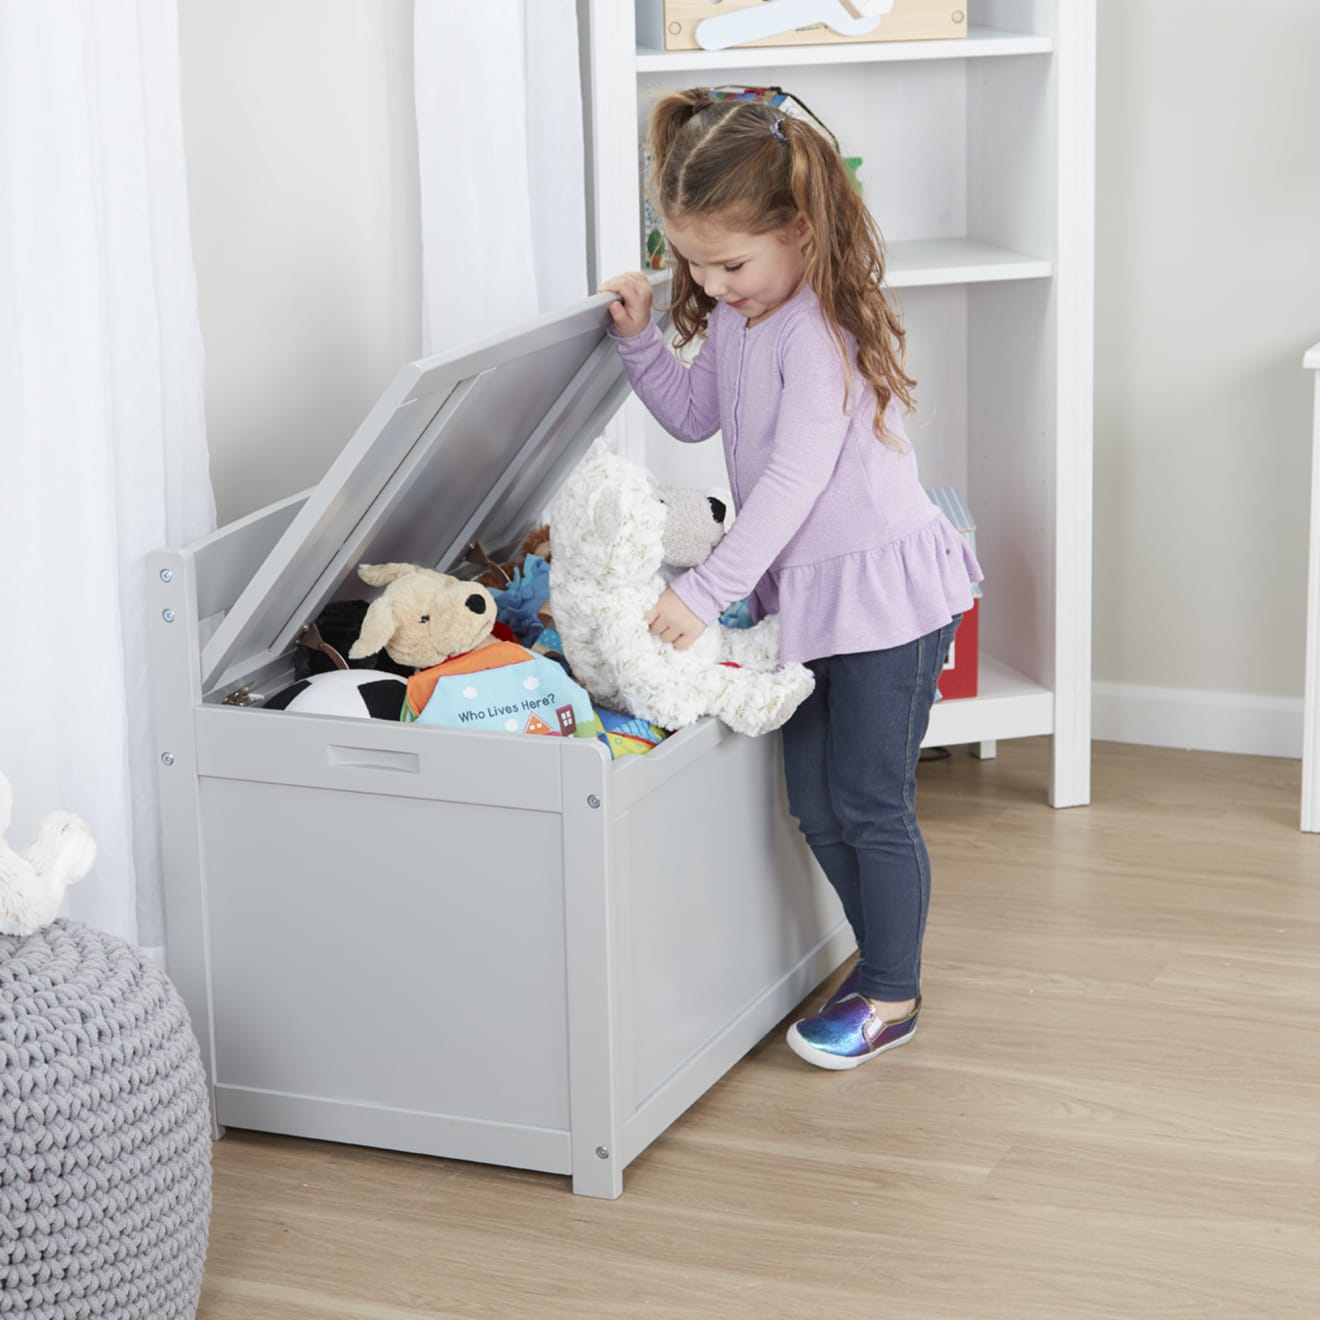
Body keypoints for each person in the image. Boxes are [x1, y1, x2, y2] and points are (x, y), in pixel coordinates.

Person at [599, 89, 982, 1071]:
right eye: (691, 260)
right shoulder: (741, 315)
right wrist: (644, 336)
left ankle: (893, 990)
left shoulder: (816, 335)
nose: (711, 281)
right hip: (812, 601)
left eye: (730, 262)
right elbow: (693, 418)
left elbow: (787, 487)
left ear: (800, 231)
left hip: (882, 604)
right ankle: (882, 957)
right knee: (814, 802)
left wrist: (701, 591)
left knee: (869, 801)